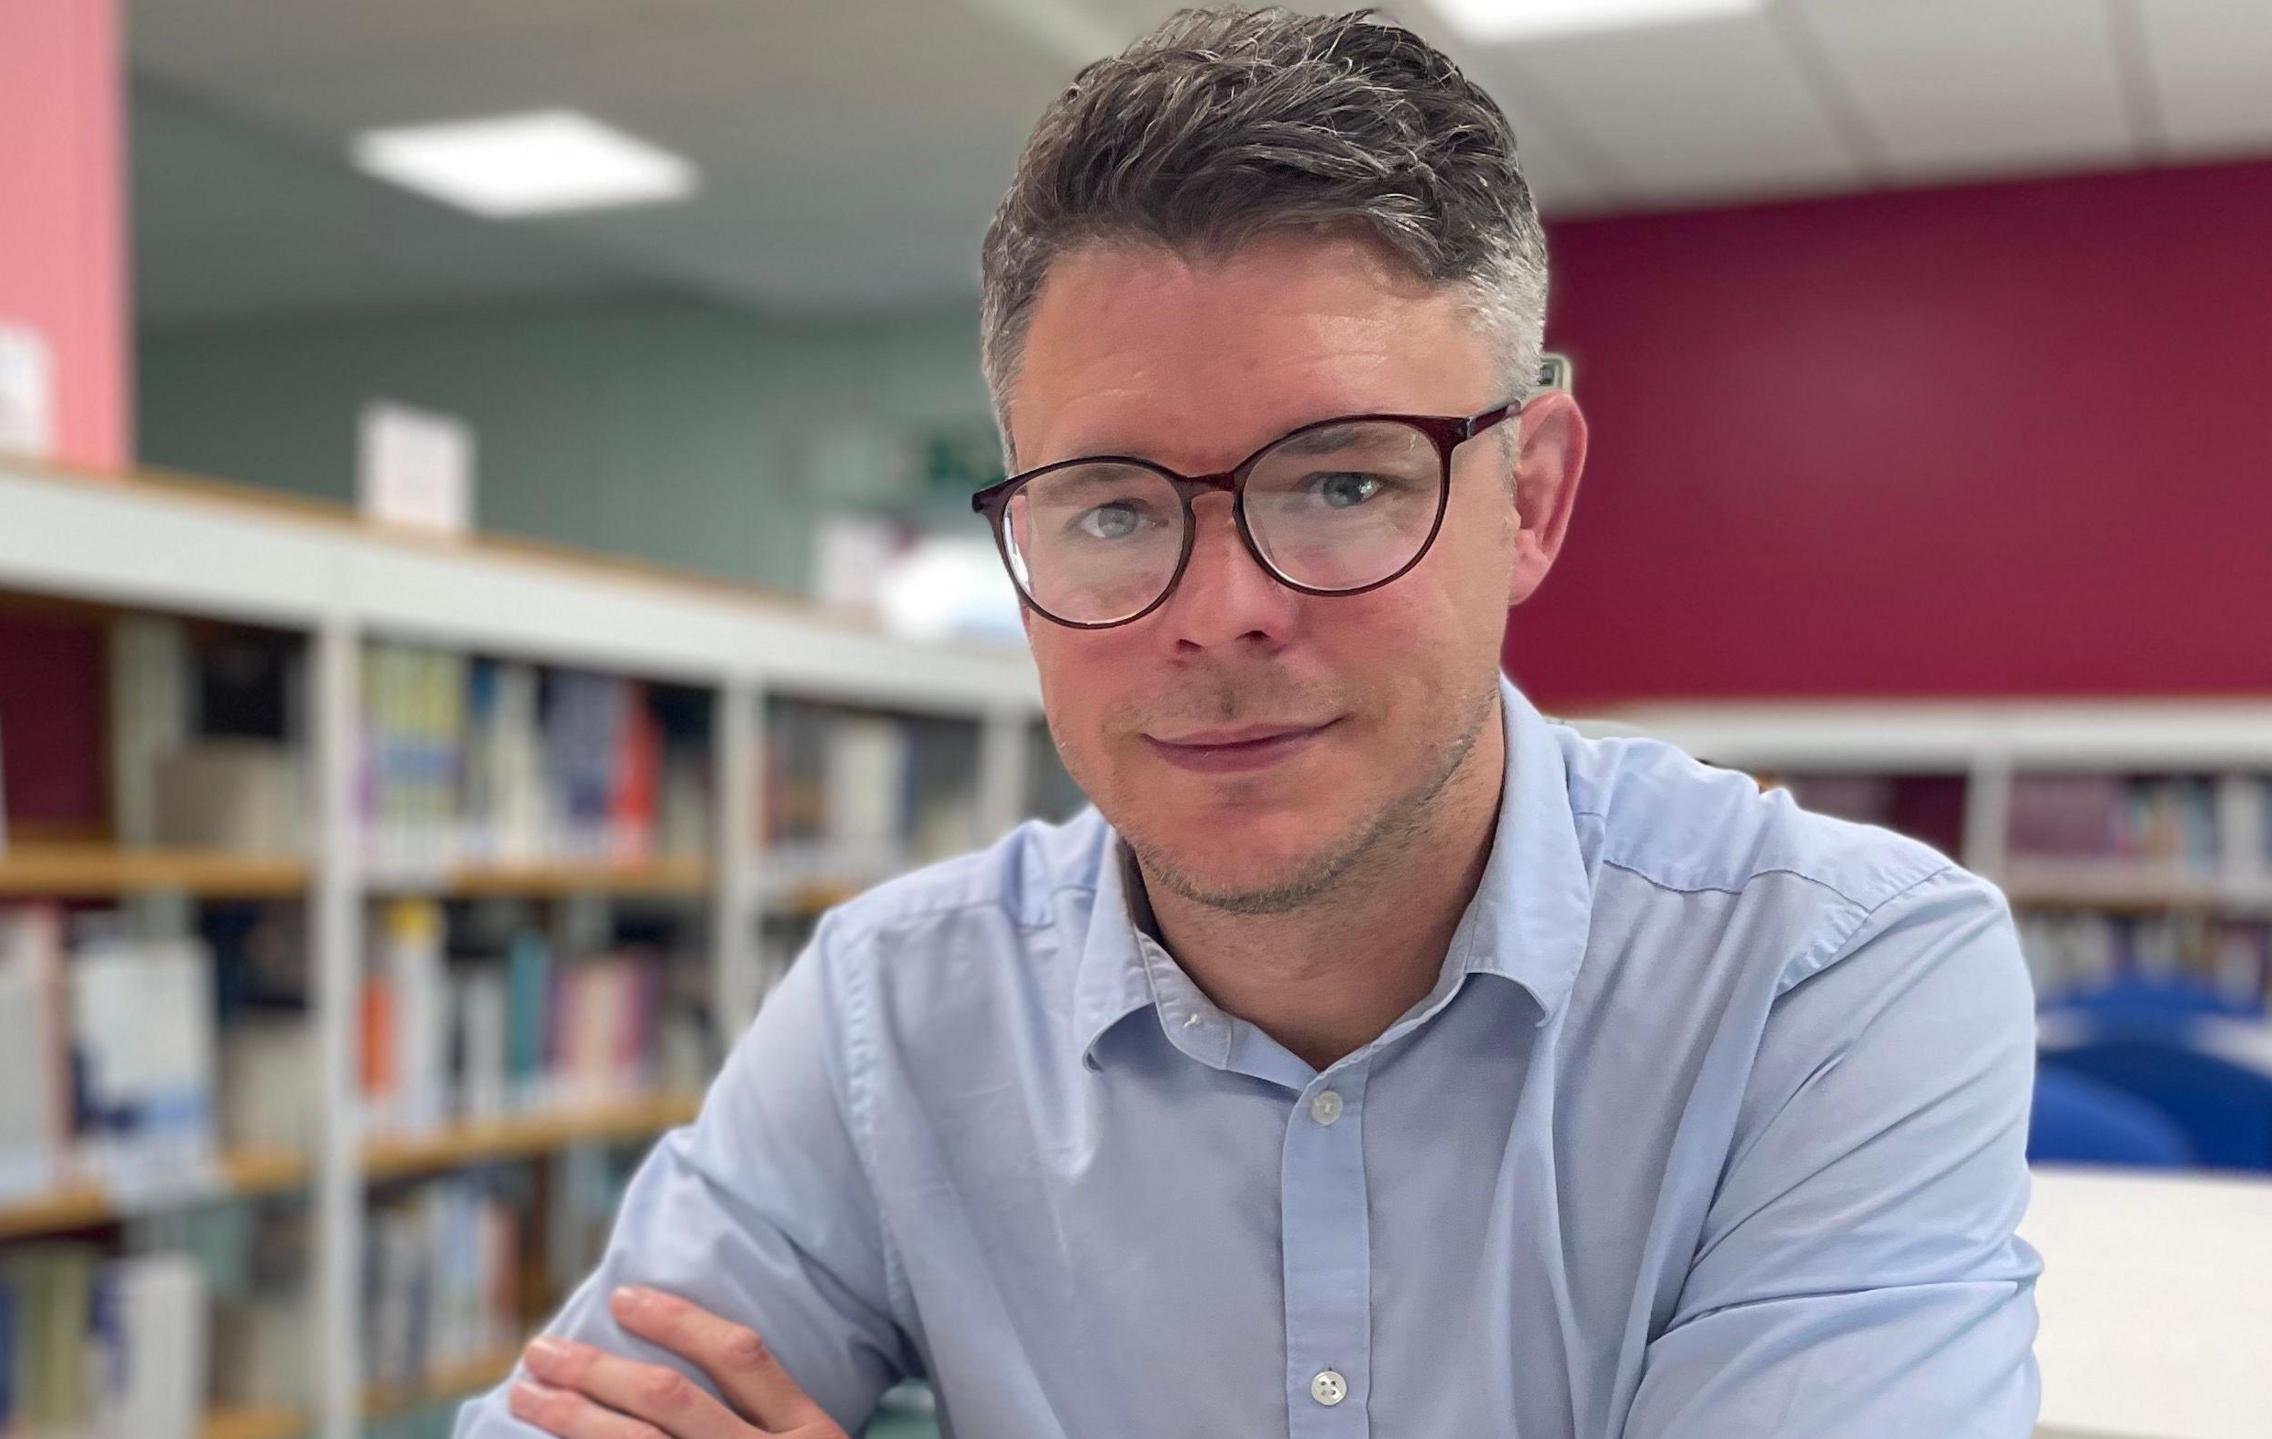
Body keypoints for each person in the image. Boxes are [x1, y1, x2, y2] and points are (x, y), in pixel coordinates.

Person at [459, 8, 2041, 1437]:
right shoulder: (897, 1011)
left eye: (1342, 482)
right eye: (1109, 508)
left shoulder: (1829, 984)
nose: (1219, 609)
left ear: (1533, 499)